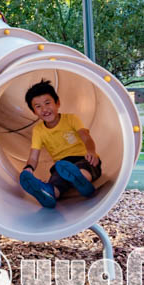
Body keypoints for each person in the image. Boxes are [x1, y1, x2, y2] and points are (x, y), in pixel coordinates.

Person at [18, 80, 102, 208]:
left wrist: (91, 152)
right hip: (62, 166)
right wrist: (29, 168)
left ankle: (82, 180)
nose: (44, 109)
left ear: (57, 103)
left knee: (84, 167)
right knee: (57, 178)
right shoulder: (38, 130)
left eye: (47, 103)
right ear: (33, 112)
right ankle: (49, 193)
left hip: (83, 157)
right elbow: (34, 156)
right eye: (38, 106)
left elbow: (86, 137)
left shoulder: (71, 119)